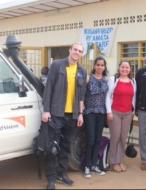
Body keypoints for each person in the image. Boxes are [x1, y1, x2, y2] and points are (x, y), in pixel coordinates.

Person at [42, 43, 87, 189]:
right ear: (70, 50)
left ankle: (62, 174)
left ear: (82, 54)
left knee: (66, 147)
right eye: (75, 49)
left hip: (72, 116)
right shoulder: (57, 65)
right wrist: (46, 110)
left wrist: (80, 114)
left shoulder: (82, 71)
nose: (77, 52)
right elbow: (48, 88)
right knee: (53, 147)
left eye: (80, 51)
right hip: (56, 113)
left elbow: (81, 96)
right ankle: (51, 179)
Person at [106, 61, 136, 172]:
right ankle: (112, 162)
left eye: (127, 67)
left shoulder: (133, 81)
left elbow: (134, 97)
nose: (124, 69)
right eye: (122, 67)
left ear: (130, 69)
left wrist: (133, 111)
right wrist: (108, 112)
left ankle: (120, 161)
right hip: (115, 112)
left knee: (123, 138)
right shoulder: (113, 80)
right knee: (115, 137)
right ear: (119, 68)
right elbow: (108, 96)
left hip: (128, 113)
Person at [83, 57, 108, 178]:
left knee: (98, 140)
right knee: (90, 139)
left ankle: (94, 164)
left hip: (101, 113)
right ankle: (87, 166)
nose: (100, 67)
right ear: (94, 66)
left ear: (104, 67)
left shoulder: (106, 80)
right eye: (98, 65)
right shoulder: (88, 78)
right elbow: (81, 94)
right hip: (90, 112)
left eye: (102, 65)